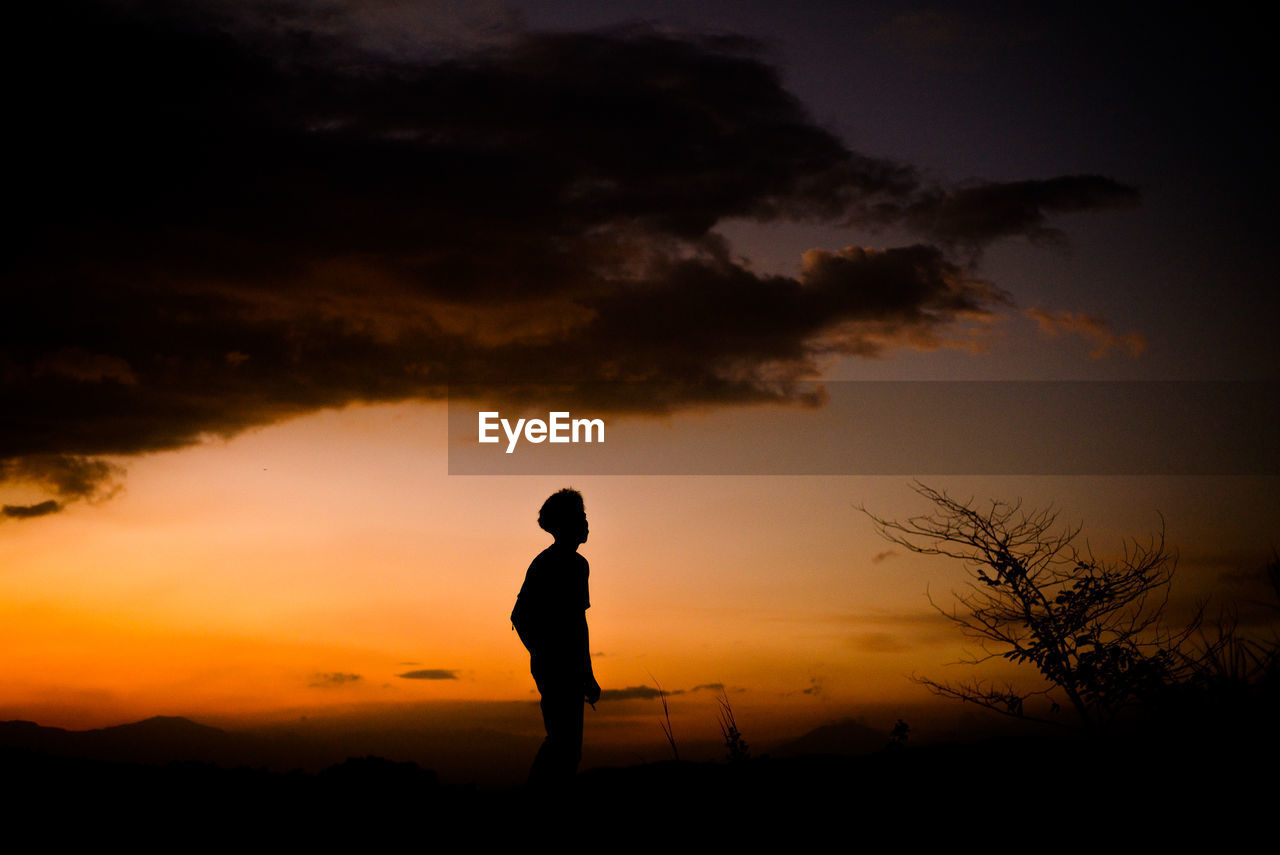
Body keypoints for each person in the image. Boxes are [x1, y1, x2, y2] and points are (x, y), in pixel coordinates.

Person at [511, 488, 601, 785]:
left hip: (565, 669)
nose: (587, 522)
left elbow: (576, 622)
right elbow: (522, 617)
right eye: (580, 516)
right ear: (563, 524)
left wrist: (583, 673)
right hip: (558, 669)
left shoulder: (573, 564)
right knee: (564, 745)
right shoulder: (556, 565)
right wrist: (545, 655)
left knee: (566, 747)